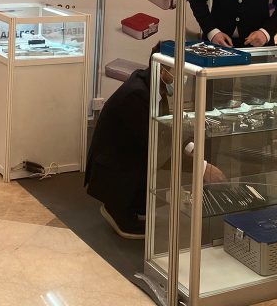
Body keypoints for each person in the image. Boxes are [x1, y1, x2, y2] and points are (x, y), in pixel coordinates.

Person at [85, 48, 225, 239]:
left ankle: (132, 204)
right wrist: (202, 168)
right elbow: (155, 141)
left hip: (127, 154)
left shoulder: (150, 84)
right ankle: (116, 208)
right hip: (114, 165)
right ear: (162, 70)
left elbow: (164, 128)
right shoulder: (137, 94)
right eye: (178, 70)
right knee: (158, 161)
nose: (183, 76)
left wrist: (192, 150)